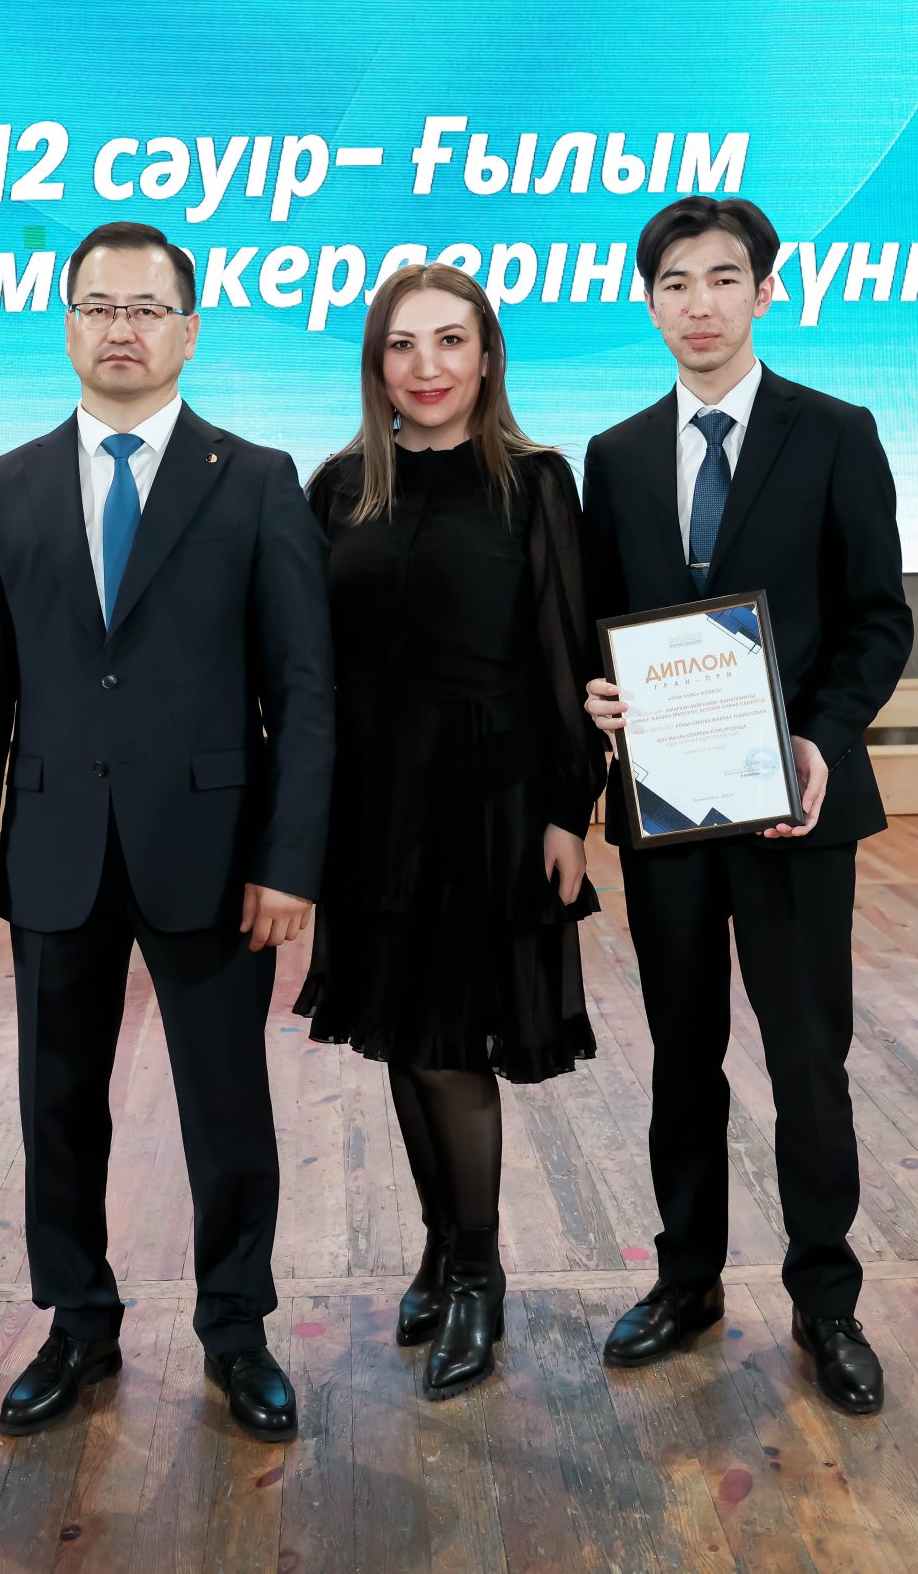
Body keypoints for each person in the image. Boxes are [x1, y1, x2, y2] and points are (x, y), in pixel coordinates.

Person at [0, 220, 334, 1442]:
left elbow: (303, 686)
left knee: (227, 1101)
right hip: (52, 846)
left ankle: (237, 1326)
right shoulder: (2, 485)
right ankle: (77, 1320)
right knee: (55, 1102)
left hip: (211, 853)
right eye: (98, 306)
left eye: (146, 308)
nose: (121, 328)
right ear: (66, 325)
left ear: (187, 330)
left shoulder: (254, 477)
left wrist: (289, 858)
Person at [579, 196, 911, 1414]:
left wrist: (821, 737)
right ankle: (686, 1279)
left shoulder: (834, 432)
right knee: (681, 1054)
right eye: (674, 282)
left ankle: (826, 1300)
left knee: (806, 1056)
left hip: (795, 808)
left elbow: (878, 616)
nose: (699, 304)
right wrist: (595, 694)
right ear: (648, 301)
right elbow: (597, 625)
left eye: (723, 278)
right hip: (666, 811)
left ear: (765, 290)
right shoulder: (614, 454)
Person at [297, 264, 603, 1400]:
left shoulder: (535, 482)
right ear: (375, 363)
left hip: (489, 802)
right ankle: (438, 1248)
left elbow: (567, 656)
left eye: (450, 341)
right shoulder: (336, 489)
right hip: (371, 803)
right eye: (402, 344)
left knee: (452, 1046)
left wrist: (570, 808)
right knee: (401, 1033)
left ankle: (480, 1272)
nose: (426, 366)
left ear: (488, 357)